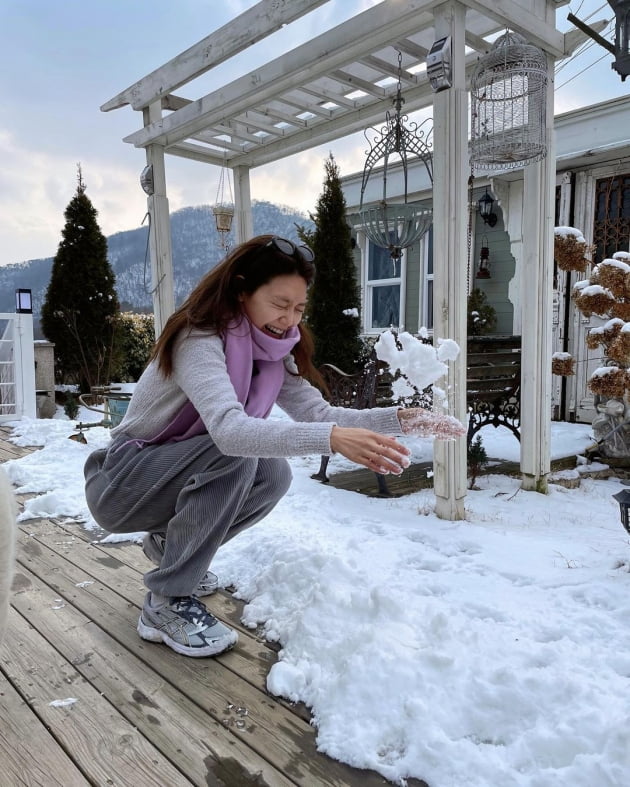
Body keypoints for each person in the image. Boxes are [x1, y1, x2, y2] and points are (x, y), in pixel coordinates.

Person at [84, 234, 465, 658]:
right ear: (242, 291)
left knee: (272, 474)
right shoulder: (199, 339)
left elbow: (319, 415)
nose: (290, 319)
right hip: (122, 482)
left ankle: (171, 551)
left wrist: (397, 419)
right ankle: (166, 601)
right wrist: (332, 440)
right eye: (280, 304)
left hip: (167, 475)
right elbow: (230, 431)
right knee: (236, 453)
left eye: (299, 308)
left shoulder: (272, 352)